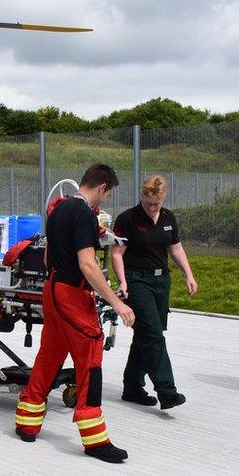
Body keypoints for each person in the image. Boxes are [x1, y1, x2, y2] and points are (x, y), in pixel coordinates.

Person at [14, 163, 135, 464]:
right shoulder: (83, 214)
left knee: (50, 355)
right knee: (91, 355)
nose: (104, 202)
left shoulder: (58, 209)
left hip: (52, 289)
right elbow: (88, 264)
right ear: (102, 187)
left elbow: (45, 255)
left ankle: (27, 421)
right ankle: (95, 439)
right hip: (71, 293)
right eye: (107, 196)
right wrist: (116, 303)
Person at [111, 175, 195, 410]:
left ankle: (132, 387)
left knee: (146, 335)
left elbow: (175, 247)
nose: (151, 207)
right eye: (147, 203)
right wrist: (123, 281)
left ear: (163, 198)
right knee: (153, 336)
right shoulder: (128, 218)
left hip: (161, 281)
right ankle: (167, 392)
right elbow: (117, 253)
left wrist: (188, 275)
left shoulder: (168, 218)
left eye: (155, 204)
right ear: (142, 197)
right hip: (137, 281)